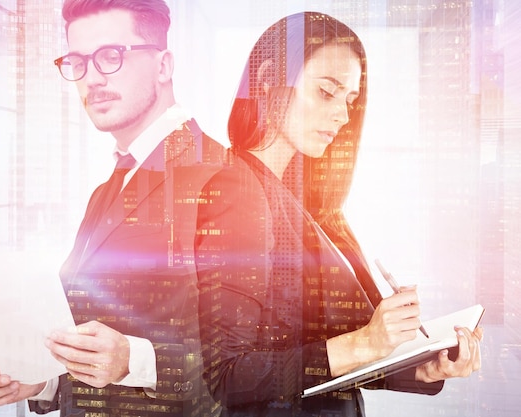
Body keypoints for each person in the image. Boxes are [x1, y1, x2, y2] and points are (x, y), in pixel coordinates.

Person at [194, 11, 483, 417]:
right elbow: (227, 375)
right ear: (266, 80)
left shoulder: (306, 203)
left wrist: (423, 367)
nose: (343, 116)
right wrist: (365, 342)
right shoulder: (238, 191)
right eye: (327, 92)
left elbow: (321, 361)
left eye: (349, 100)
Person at [0, 0, 225, 416]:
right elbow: (100, 340)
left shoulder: (219, 177)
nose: (92, 78)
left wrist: (133, 359)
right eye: (77, 61)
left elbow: (251, 364)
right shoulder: (107, 190)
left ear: (163, 65)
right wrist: (44, 378)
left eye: (111, 56)